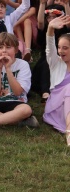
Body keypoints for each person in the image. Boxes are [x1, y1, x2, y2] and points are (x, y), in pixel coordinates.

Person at [43, 15, 70, 145]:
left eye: (65, 48)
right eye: (59, 47)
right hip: (57, 106)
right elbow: (49, 48)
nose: (61, 51)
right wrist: (50, 28)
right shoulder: (55, 62)